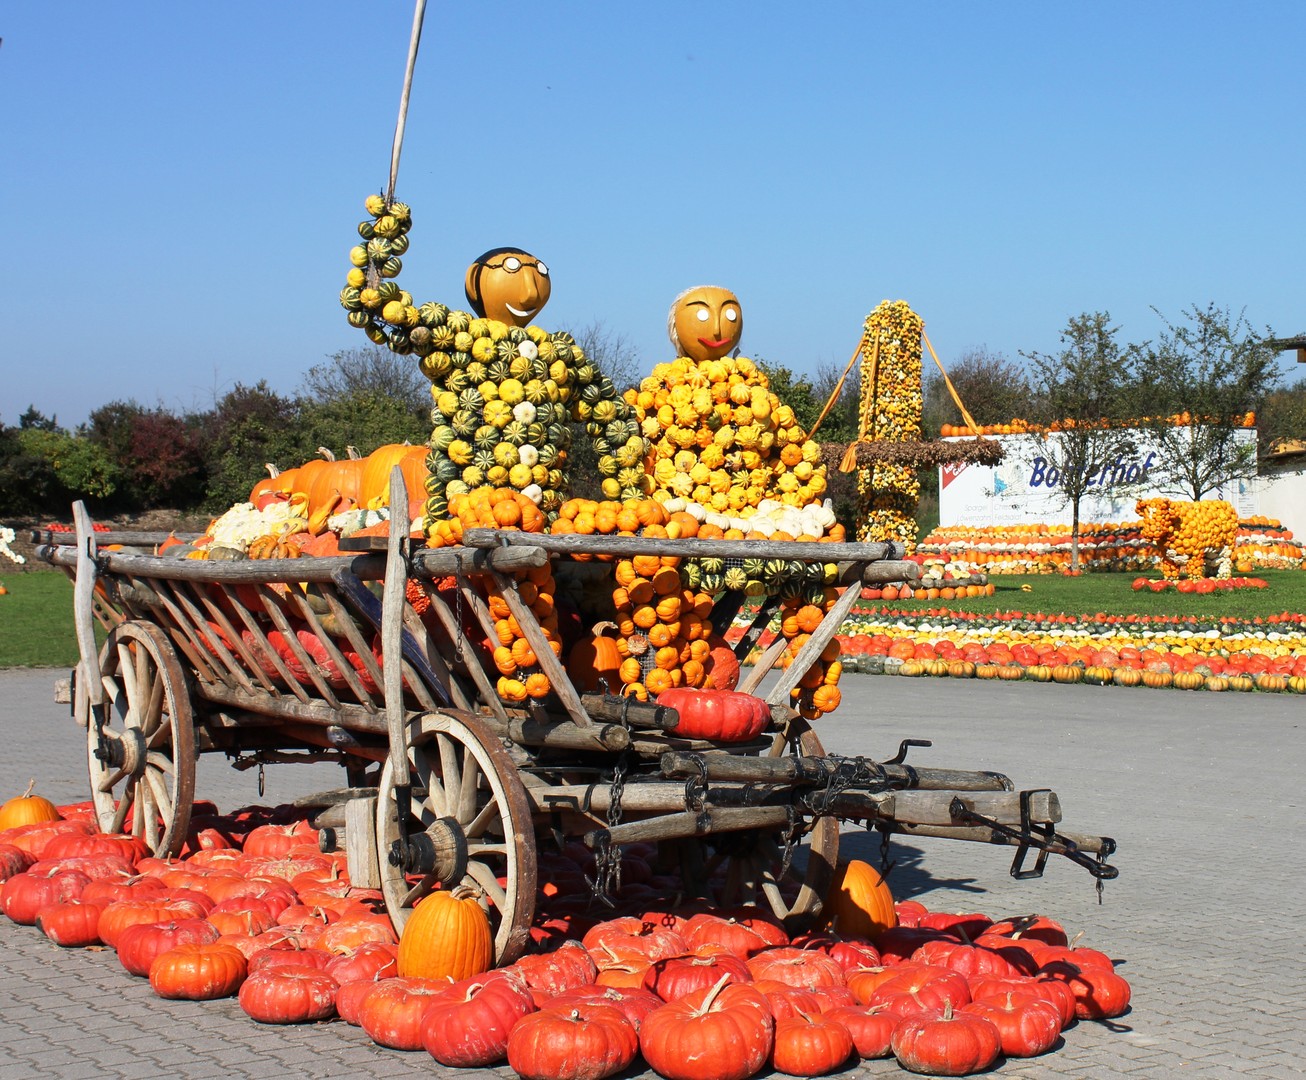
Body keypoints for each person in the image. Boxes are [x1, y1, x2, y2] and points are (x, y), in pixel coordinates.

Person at [464, 248, 551, 327]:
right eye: (512, 267)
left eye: (541, 270)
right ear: (472, 279)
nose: (531, 295)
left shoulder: (539, 342)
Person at [667, 285, 743, 362]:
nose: (716, 331)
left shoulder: (744, 371)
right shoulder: (675, 372)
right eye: (702, 315)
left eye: (730, 315)